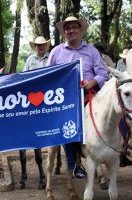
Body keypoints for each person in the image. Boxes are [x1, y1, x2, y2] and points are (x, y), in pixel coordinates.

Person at [46, 16, 109, 179]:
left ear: (81, 30)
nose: (71, 30)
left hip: (90, 93)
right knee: (69, 121)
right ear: (64, 32)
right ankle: (75, 164)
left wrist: (93, 81)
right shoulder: (56, 52)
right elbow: (47, 75)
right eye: (68, 28)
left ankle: (119, 149)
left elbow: (102, 73)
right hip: (66, 97)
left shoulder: (92, 51)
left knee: (114, 111)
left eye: (75, 27)